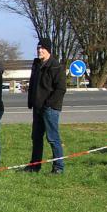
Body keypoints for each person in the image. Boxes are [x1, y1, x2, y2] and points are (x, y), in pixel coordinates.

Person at [26, 38, 67, 173]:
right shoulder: (37, 65)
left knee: (53, 138)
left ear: (48, 50)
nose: (40, 50)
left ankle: (58, 167)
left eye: (42, 48)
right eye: (38, 48)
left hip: (50, 109)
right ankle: (35, 165)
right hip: (37, 108)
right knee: (36, 138)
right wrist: (31, 101)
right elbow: (33, 85)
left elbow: (61, 89)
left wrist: (49, 104)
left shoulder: (56, 66)